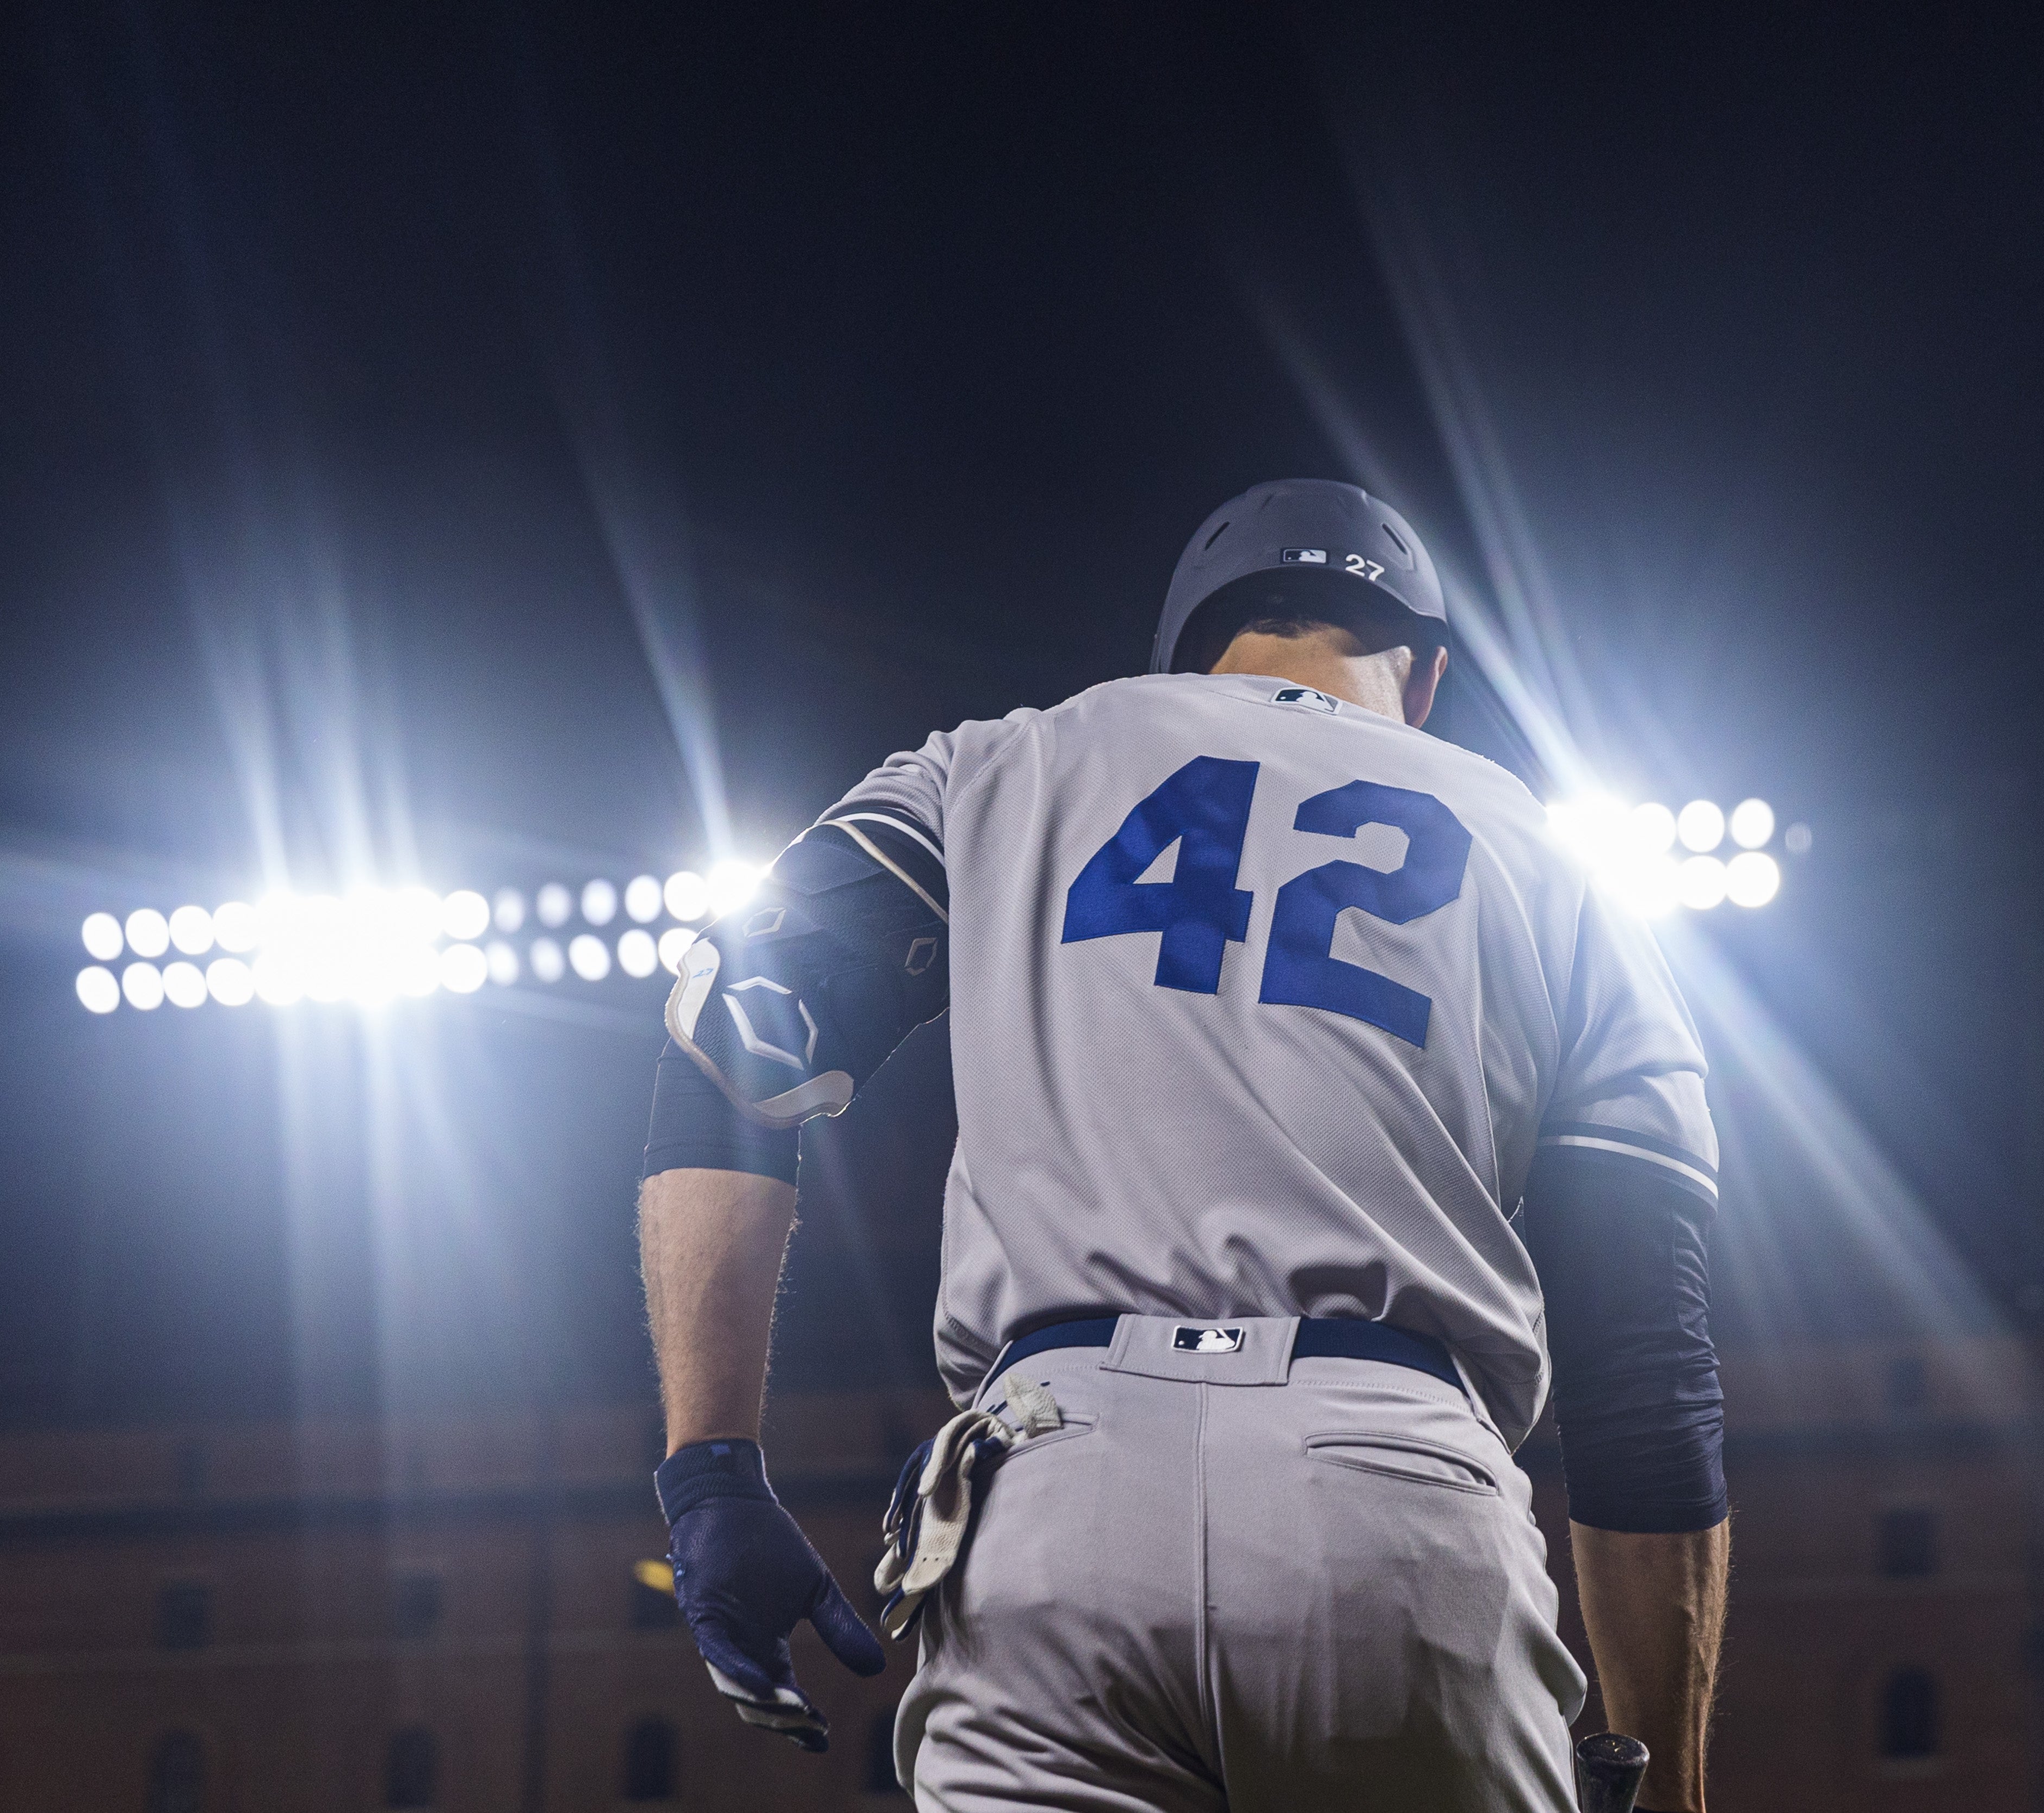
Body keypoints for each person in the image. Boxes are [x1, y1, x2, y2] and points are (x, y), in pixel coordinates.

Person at [638, 478, 1730, 1812]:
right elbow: (1646, 1382)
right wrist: (1668, 1789)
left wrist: (711, 1464)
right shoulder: (1556, 865)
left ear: (1193, 645)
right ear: (1426, 672)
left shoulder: (1006, 759)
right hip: (1399, 1492)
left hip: (1053, 1485)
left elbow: (726, 1029)